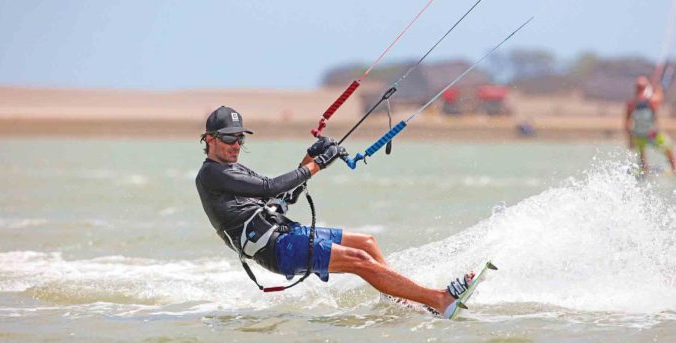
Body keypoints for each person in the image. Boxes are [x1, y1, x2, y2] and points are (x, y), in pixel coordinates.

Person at [195, 106, 473, 318]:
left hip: (283, 232)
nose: (236, 146)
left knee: (366, 243)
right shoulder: (211, 174)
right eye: (230, 139)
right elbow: (270, 187)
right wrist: (318, 165)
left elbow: (280, 195)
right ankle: (438, 300)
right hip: (274, 249)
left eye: (240, 139)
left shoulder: (234, 168)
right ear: (210, 139)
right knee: (358, 259)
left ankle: (404, 302)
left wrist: (311, 157)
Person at [625, 74, 676, 175]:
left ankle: (647, 171)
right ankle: (673, 169)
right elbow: (660, 96)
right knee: (667, 147)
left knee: (664, 148)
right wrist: (657, 88)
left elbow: (626, 124)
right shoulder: (648, 101)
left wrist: (630, 139)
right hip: (647, 134)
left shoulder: (634, 103)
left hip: (644, 134)